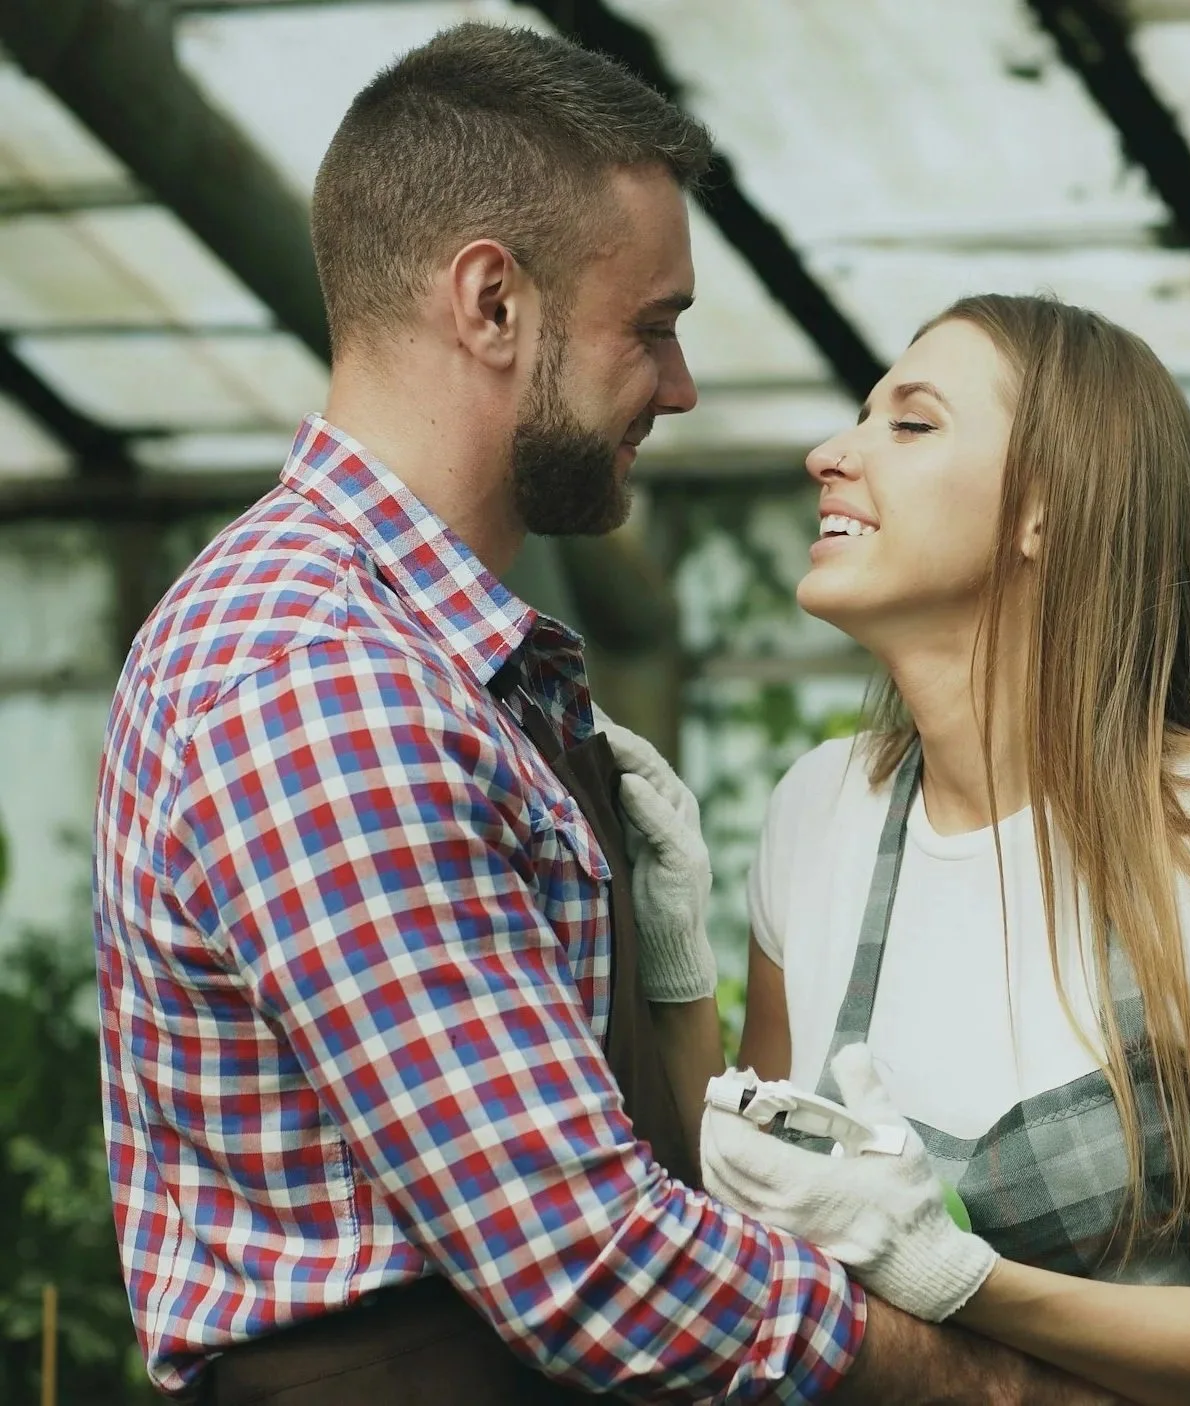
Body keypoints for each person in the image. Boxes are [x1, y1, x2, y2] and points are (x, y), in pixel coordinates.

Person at [91, 24, 1116, 1404]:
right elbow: (581, 1254)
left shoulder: (451, 659)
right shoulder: (323, 676)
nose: (681, 387)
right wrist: (993, 1386)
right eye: (652, 325)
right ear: (492, 304)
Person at [685, 293, 1190, 1406]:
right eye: (860, 417)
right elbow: (755, 1215)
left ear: (1043, 510)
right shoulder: (820, 811)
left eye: (910, 423)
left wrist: (961, 1279)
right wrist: (667, 962)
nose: (830, 453)